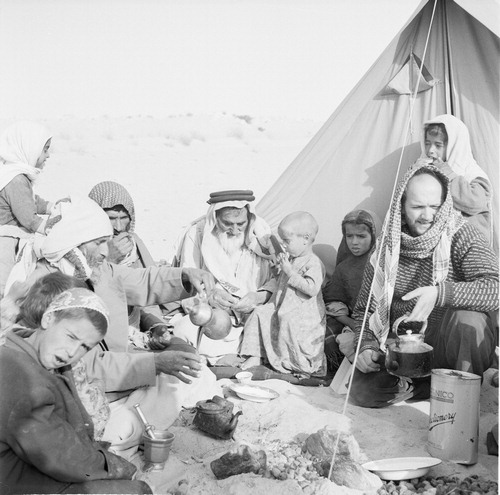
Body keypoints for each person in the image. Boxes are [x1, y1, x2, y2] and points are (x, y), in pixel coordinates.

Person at [8, 196, 220, 446]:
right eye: (99, 242)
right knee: (120, 429)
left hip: (123, 376)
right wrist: (154, 364)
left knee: (197, 374)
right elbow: (85, 366)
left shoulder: (98, 270)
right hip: (83, 392)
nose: (105, 251)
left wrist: (186, 276)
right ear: (75, 241)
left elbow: (145, 281)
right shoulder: (45, 288)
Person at [350, 165, 499, 408]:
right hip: (404, 348)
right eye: (418, 207)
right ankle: (423, 383)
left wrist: (440, 294)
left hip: (449, 346)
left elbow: (495, 289)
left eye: (435, 206)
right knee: (364, 392)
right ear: (402, 204)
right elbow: (364, 311)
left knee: (468, 321)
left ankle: (459, 398)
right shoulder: (386, 246)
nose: (427, 215)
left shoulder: (462, 235)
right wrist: (365, 345)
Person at [0, 287, 152, 494]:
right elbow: (59, 457)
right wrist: (115, 466)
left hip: (32, 460)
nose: (72, 352)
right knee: (136, 490)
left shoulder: (26, 347)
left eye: (85, 347)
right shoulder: (19, 374)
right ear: (48, 319)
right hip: (14, 477)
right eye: (71, 337)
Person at [171, 189, 273, 365]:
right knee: (183, 331)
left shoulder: (263, 235)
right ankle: (242, 355)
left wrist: (259, 296)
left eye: (241, 223)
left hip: (253, 318)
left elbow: (279, 280)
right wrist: (210, 296)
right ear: (214, 218)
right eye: (227, 223)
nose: (234, 231)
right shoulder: (197, 234)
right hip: (213, 317)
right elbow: (186, 282)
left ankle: (242, 353)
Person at [88, 180, 175, 350]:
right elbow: (82, 288)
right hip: (96, 331)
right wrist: (109, 259)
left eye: (124, 218)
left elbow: (148, 293)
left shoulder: (133, 245)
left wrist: (156, 326)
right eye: (111, 218)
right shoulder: (82, 245)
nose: (119, 227)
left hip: (132, 329)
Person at [239, 211, 326, 376]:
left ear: (305, 239)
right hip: (282, 304)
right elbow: (282, 281)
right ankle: (256, 354)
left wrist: (290, 271)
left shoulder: (313, 262)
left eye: (287, 241)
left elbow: (311, 289)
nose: (283, 245)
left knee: (286, 320)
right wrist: (277, 270)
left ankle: (292, 361)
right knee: (260, 313)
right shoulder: (291, 259)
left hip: (303, 312)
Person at [413, 114, 493, 245]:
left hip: (468, 245)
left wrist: (448, 174)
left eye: (438, 145)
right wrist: (415, 173)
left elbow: (474, 203)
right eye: (427, 143)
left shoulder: (473, 174)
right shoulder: (425, 168)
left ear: (455, 146)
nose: (430, 151)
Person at [0, 121, 54, 296]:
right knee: (6, 284)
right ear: (29, 147)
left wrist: (50, 207)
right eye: (45, 149)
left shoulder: (15, 176)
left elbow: (28, 200)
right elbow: (28, 217)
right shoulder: (15, 179)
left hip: (11, 237)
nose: (47, 155)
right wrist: (50, 228)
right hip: (5, 240)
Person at [322, 209, 379, 369]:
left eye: (361, 236)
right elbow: (333, 302)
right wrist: (354, 325)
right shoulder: (344, 268)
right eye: (349, 236)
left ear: (374, 236)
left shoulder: (385, 264)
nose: (354, 242)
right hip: (356, 323)